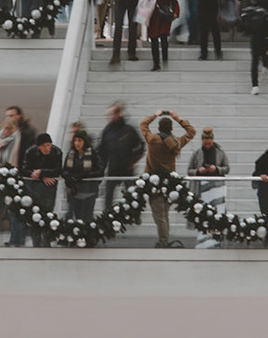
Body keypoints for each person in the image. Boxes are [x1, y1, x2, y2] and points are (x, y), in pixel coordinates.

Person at [141, 110, 194, 247]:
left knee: (159, 216)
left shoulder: (152, 140)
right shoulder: (176, 142)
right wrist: (178, 118)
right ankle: (164, 239)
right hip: (170, 184)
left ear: (159, 128)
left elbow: (143, 125)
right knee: (164, 214)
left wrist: (155, 115)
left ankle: (163, 241)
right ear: (171, 128)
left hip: (154, 183)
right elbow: (191, 132)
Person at [0, 110, 28, 247]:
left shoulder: (19, 140)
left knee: (14, 214)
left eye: (9, 128)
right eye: (5, 128)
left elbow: (20, 159)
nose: (6, 131)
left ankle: (17, 241)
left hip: (14, 180)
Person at [99, 101, 144, 218]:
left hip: (127, 168)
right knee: (108, 195)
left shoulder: (129, 129)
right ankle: (107, 216)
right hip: (112, 168)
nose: (110, 117)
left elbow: (140, 146)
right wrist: (101, 168)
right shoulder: (107, 131)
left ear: (119, 114)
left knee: (132, 194)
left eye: (113, 113)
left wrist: (134, 161)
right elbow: (102, 151)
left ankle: (135, 215)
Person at [187, 126, 230, 247]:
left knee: (217, 213)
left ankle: (216, 239)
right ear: (202, 141)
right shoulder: (197, 153)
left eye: (209, 143)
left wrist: (216, 169)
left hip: (217, 188)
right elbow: (189, 170)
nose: (207, 145)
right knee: (202, 214)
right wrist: (198, 171)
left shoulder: (220, 152)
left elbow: (227, 168)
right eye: (205, 143)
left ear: (212, 141)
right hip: (201, 188)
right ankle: (202, 239)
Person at [19, 133, 63, 246]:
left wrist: (41, 172)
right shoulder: (30, 152)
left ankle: (47, 240)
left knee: (48, 213)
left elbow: (58, 170)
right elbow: (24, 169)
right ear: (38, 146)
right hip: (34, 187)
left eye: (49, 145)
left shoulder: (57, 152)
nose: (47, 148)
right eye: (44, 146)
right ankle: (36, 241)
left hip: (49, 188)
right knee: (34, 213)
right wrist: (41, 176)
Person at [61, 125, 102, 221]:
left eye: (79, 141)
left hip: (89, 192)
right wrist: (68, 177)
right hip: (74, 192)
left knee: (87, 218)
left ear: (85, 141)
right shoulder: (71, 154)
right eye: (75, 141)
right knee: (77, 218)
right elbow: (64, 170)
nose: (77, 143)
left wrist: (84, 176)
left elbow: (100, 171)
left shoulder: (93, 153)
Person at [146, 0, 179, 71]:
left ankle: (165, 59)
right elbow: (145, 2)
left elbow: (174, 1)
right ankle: (156, 64)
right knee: (154, 39)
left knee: (164, 37)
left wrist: (175, 12)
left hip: (164, 15)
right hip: (154, 17)